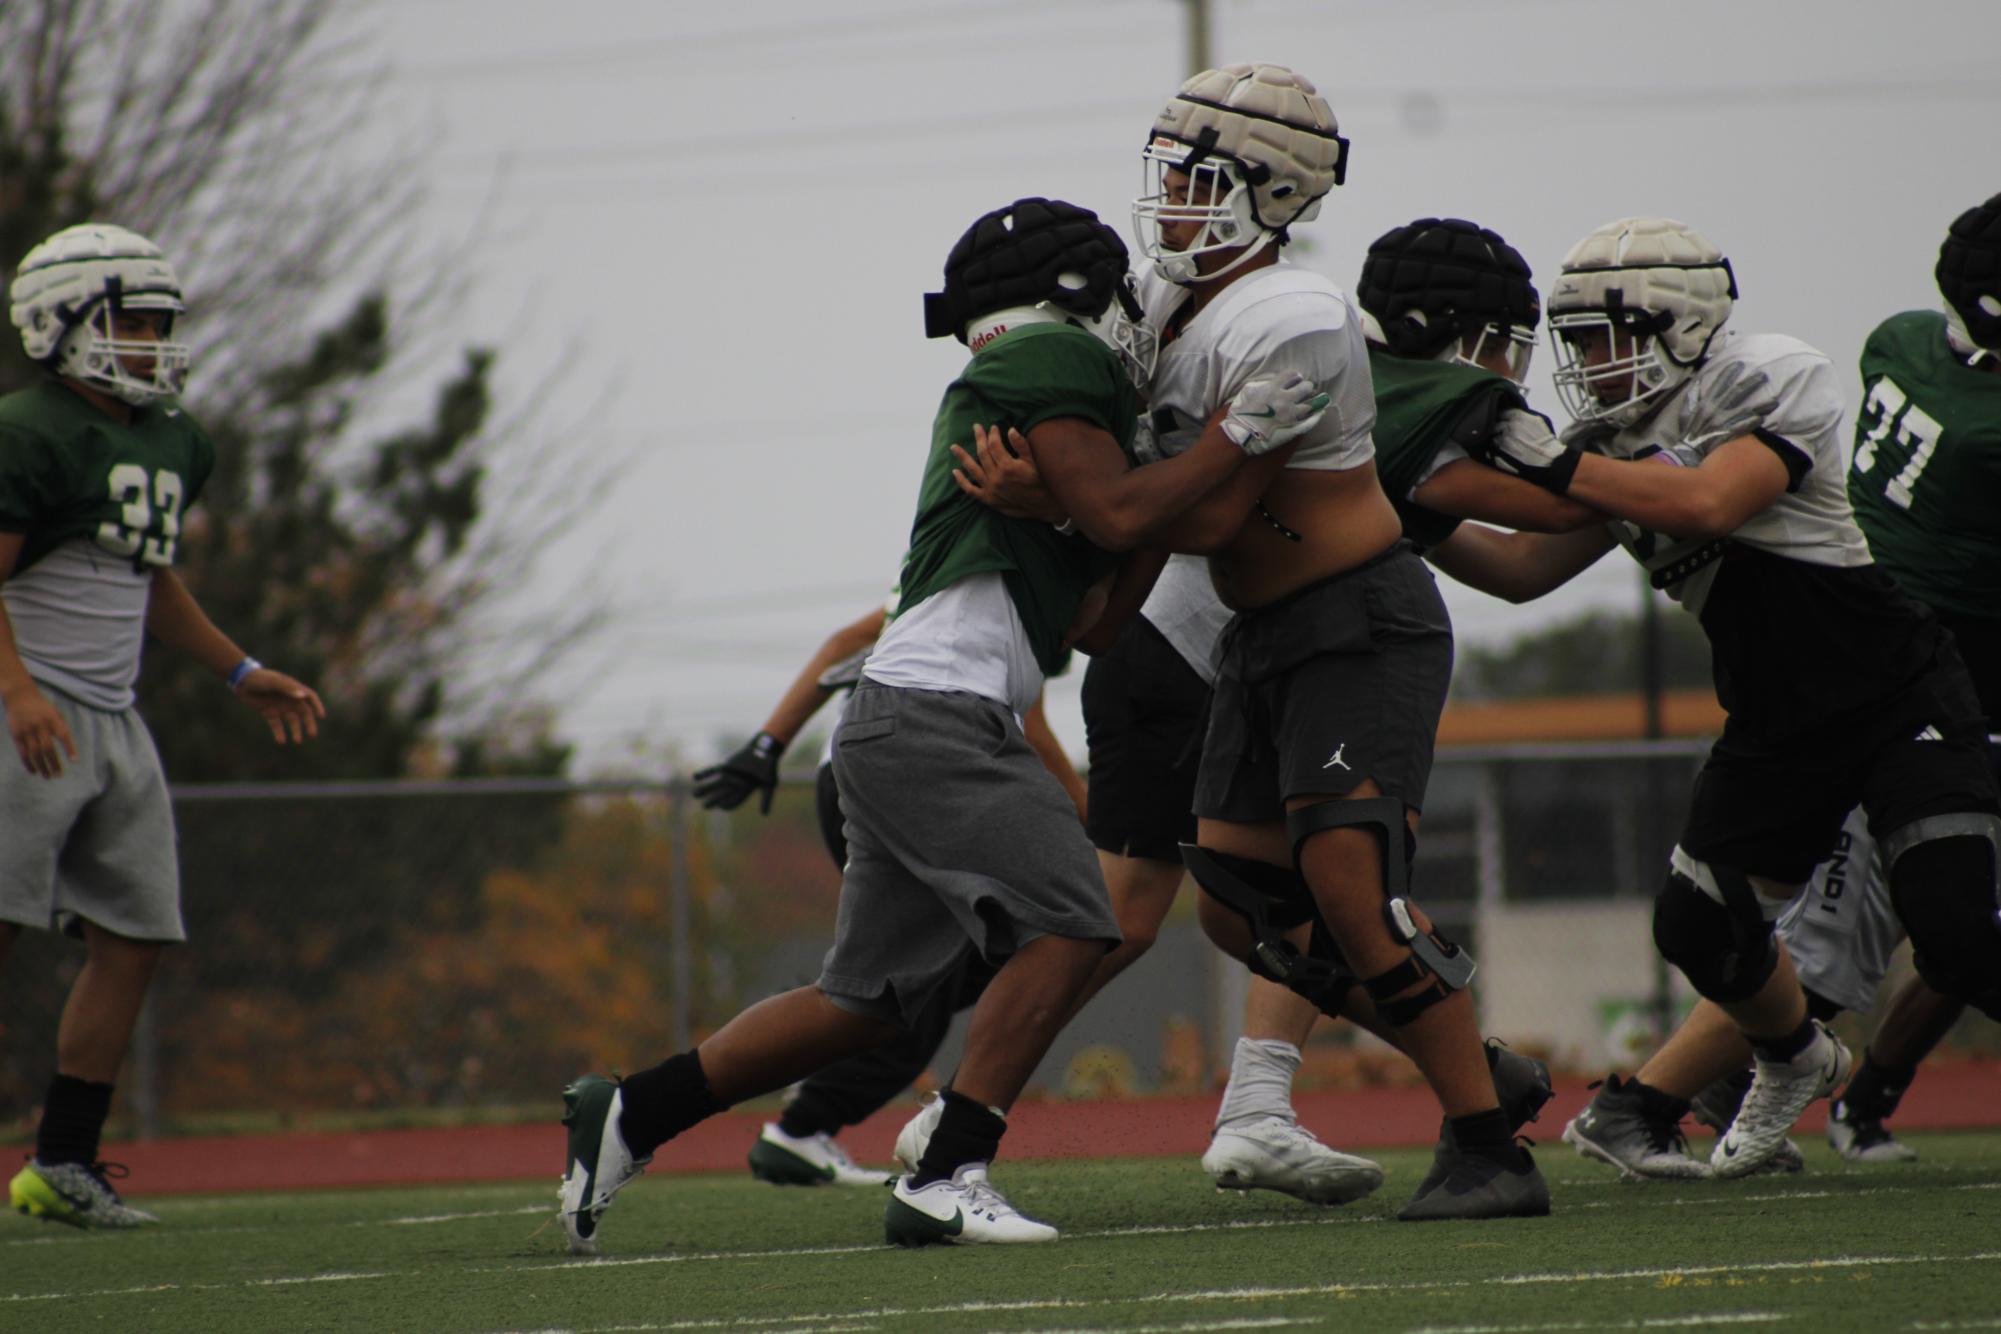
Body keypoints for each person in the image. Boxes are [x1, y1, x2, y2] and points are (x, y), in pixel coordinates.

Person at [557, 196, 1330, 1253]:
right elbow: (1118, 515)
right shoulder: (1053, 359)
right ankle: (948, 1163)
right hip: (935, 717)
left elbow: (1104, 615)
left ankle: (633, 1109)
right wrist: (1231, 439)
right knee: (1075, 921)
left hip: (899, 719)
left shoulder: (1040, 394)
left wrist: (1142, 493)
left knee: (863, 1002)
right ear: (1076, 296)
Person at [1439, 215, 2001, 1179]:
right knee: (1694, 927)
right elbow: (1521, 571)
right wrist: (1414, 506)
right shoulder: (1604, 442)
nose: (1590, 362)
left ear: (1680, 321)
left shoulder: (1768, 372)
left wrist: (1549, 463)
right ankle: (1792, 1059)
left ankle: (1736, 1085)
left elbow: (1707, 504)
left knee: (1951, 925)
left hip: (1892, 685)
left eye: (1606, 334)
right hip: (1777, 719)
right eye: (1575, 342)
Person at [1118, 64, 1548, 1221]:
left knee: (1353, 886)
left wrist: (1086, 496)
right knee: (1235, 893)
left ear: (1274, 190)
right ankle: (1483, 1067)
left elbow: (1203, 513)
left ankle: (1486, 1143)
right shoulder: (1164, 302)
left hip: (1357, 615)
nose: (1172, 200)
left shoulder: (1292, 317)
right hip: (1264, 629)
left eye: (1200, 179)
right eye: (1169, 173)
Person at [0, 223, 325, 1228]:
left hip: (111, 714)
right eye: (131, 321)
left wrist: (241, 668)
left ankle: (61, 1163)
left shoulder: (174, 436)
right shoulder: (30, 428)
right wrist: (16, 692)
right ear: (63, 321)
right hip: (28, 704)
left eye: (157, 322)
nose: (149, 340)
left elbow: (146, 577)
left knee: (135, 932)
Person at [691, 601, 1085, 1188]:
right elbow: (1036, 724)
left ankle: (808, 1101)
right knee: (913, 992)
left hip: (873, 766)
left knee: (956, 968)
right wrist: (1083, 816)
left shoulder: (963, 579)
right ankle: (802, 1117)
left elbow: (839, 648)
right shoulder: (989, 573)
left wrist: (770, 744)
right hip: (905, 770)